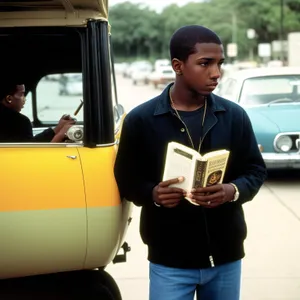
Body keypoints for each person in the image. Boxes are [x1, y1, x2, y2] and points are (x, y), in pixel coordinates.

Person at [114, 25, 267, 300]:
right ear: (178, 65)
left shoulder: (235, 116)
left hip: (225, 257)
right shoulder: (140, 120)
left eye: (220, 63)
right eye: (205, 63)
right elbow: (126, 180)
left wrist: (232, 191)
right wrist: (153, 193)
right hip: (169, 260)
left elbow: (255, 170)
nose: (216, 73)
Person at [0, 81, 75, 142]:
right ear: (9, 99)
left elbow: (31, 142)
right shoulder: (20, 121)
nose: (24, 99)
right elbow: (30, 152)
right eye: (22, 94)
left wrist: (57, 128)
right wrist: (61, 134)